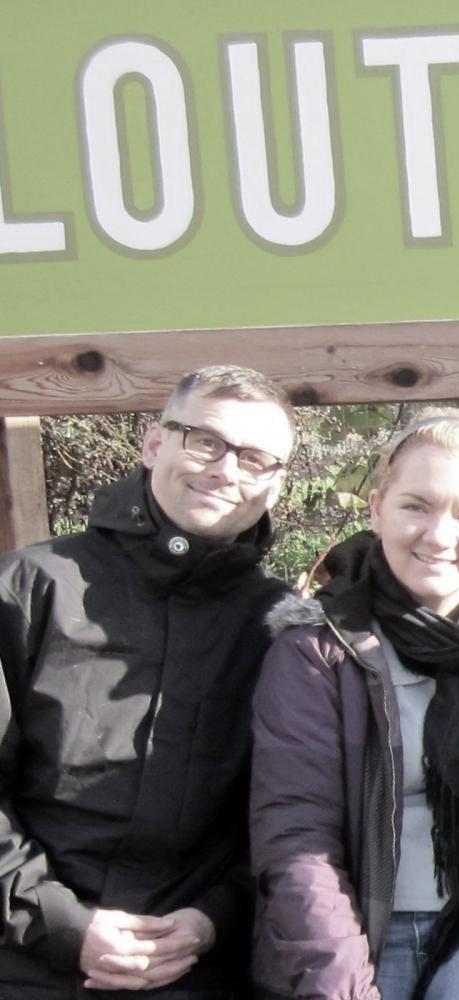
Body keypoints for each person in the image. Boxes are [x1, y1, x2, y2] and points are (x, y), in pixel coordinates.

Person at [250, 408, 459, 999]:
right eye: (415, 506)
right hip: (359, 929)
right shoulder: (317, 648)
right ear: (376, 509)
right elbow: (299, 840)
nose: (439, 536)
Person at [0, 366, 296, 997]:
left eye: (255, 458)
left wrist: (216, 917)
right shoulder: (31, 589)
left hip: (199, 967)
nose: (225, 470)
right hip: (23, 959)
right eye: (206, 441)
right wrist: (60, 924)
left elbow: (295, 810)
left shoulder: (281, 625)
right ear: (153, 442)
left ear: (275, 485)